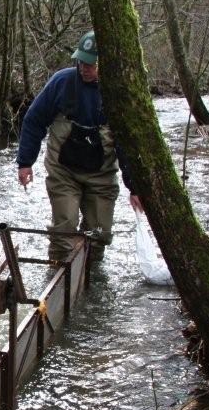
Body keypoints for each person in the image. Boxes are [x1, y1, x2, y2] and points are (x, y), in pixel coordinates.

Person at [16, 31, 140, 262]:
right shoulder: (61, 82)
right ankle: (57, 278)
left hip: (101, 176)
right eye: (81, 61)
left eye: (90, 64)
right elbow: (33, 121)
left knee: (99, 234)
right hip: (64, 172)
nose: (84, 67)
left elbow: (127, 145)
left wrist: (134, 188)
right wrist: (25, 163)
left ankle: (89, 284)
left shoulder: (118, 92)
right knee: (64, 231)